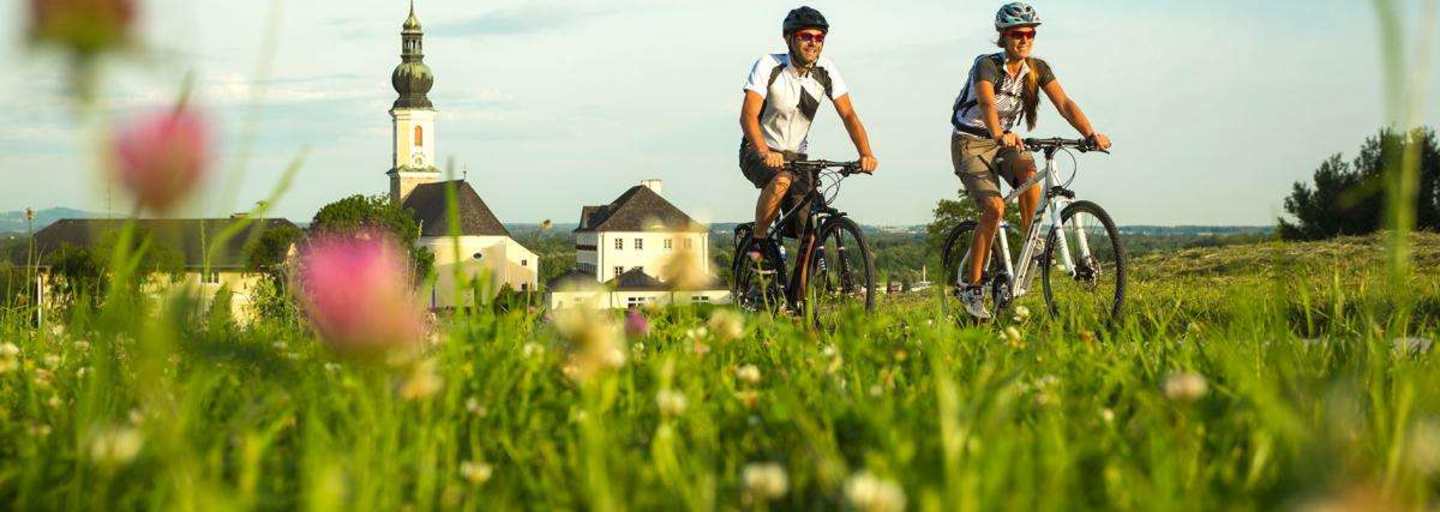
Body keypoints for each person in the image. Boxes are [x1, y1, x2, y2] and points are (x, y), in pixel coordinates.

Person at [951, 2, 1112, 319]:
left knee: (1028, 170)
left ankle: (1032, 241)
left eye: (1030, 34)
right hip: (971, 142)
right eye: (1017, 34)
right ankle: (973, 288)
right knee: (994, 208)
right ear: (1003, 36)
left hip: (1006, 141)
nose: (1024, 39)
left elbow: (1064, 103)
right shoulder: (987, 65)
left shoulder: (1037, 69)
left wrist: (1090, 133)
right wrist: (999, 133)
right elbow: (987, 103)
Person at [739, 6, 878, 261]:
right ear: (789, 39)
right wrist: (764, 151)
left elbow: (848, 114)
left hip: (797, 157)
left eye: (819, 38)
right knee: (782, 180)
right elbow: (747, 116)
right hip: (757, 148)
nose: (813, 43)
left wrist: (865, 153)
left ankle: (801, 287)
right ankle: (758, 240)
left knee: (811, 230)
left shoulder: (825, 70)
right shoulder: (769, 65)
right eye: (806, 36)